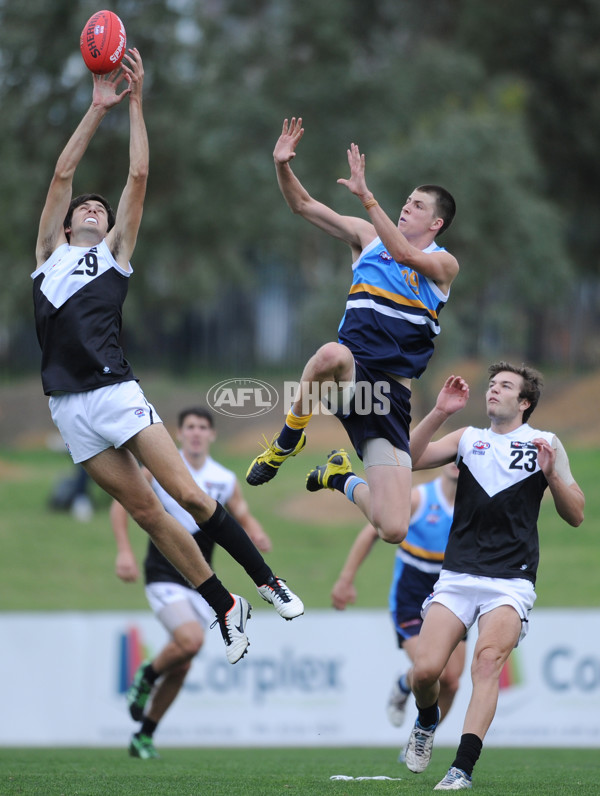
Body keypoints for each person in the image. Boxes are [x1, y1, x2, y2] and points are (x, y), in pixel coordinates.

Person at [32, 52, 302, 668]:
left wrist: (134, 104)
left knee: (186, 493)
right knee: (149, 512)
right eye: (84, 208)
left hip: (113, 392)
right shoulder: (48, 255)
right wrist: (94, 109)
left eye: (99, 209)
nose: (92, 209)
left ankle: (266, 579)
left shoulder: (116, 254)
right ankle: (225, 606)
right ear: (69, 221)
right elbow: (60, 174)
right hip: (68, 409)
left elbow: (140, 176)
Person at [246, 117, 459, 547]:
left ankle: (338, 477)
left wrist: (367, 198)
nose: (406, 207)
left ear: (436, 223)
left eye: (418, 205)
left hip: (390, 398)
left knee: (393, 527)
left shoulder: (443, 264)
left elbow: (403, 253)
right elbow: (303, 205)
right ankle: (289, 437)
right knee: (332, 355)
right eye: (407, 200)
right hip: (353, 379)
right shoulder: (367, 237)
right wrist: (282, 165)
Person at [402, 365, 585, 790]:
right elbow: (408, 460)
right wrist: (439, 412)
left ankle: (461, 768)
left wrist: (552, 473)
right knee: (424, 672)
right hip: (458, 576)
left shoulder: (546, 444)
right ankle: (427, 720)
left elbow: (575, 514)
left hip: (511, 580)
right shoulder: (467, 438)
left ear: (524, 402)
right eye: (491, 385)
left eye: (505, 386)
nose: (493, 391)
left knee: (486, 663)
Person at [111, 407, 273, 759]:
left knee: (184, 660)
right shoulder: (158, 469)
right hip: (163, 572)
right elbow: (121, 504)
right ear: (179, 434)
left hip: (200, 579)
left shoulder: (224, 478)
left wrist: (256, 531)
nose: (197, 433)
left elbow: (241, 514)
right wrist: (123, 551)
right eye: (190, 427)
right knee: (190, 640)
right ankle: (147, 675)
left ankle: (144, 735)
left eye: (203, 427)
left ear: (212, 435)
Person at [331, 463, 466, 740]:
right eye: (451, 456)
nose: (456, 463)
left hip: (453, 597)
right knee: (434, 673)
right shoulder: (418, 499)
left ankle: (420, 739)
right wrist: (346, 580)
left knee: (452, 682)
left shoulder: (474, 508)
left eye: (461, 458)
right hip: (411, 598)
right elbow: (372, 531)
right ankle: (406, 683)